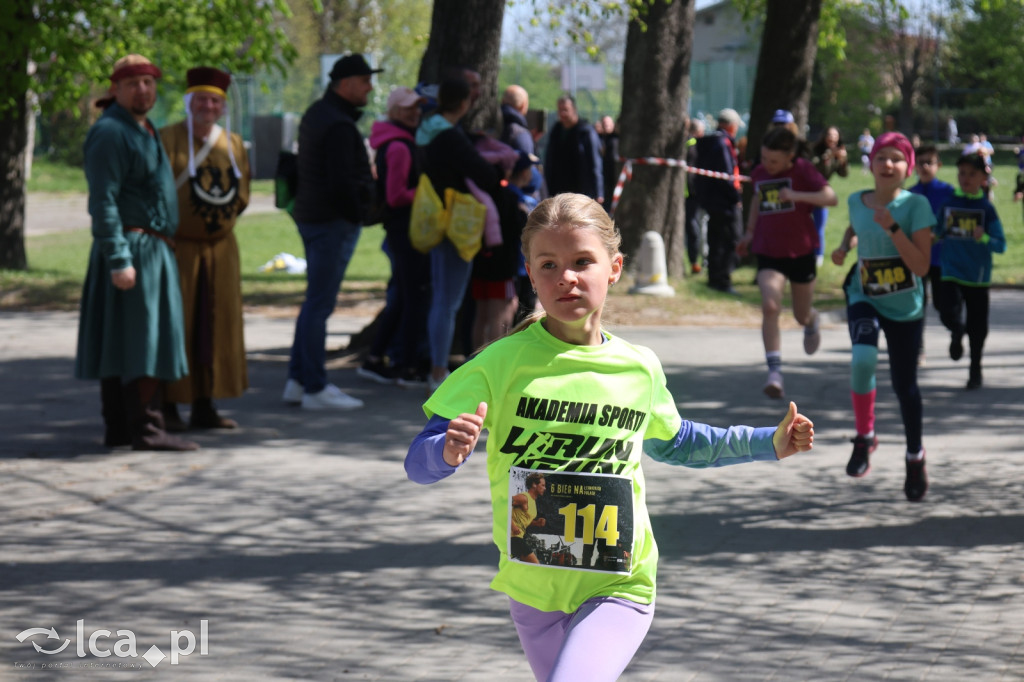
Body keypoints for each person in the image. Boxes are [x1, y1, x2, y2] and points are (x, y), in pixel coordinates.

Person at [404, 193, 814, 681]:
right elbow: (417, 462)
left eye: (582, 261)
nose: (566, 277)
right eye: (549, 265)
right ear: (530, 275)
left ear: (615, 267)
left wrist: (768, 441)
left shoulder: (638, 367)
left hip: (620, 584)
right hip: (534, 589)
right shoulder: (498, 363)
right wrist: (446, 451)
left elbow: (678, 442)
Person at [75, 53, 198, 452]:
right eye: (132, 83)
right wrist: (119, 257)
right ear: (115, 89)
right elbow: (103, 201)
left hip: (152, 248)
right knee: (143, 341)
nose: (142, 90)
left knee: (130, 340)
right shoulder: (111, 133)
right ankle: (145, 429)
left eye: (148, 82)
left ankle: (124, 429)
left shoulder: (142, 128)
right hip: (133, 249)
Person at [830, 132, 934, 502]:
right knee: (862, 358)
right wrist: (844, 247)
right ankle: (865, 437)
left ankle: (915, 456)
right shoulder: (857, 200)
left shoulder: (916, 205)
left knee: (905, 387)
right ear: (870, 163)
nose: (888, 165)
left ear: (907, 167)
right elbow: (857, 225)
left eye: (896, 159)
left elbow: (921, 266)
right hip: (865, 295)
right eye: (881, 157)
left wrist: (892, 226)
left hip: (905, 306)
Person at [283, 53, 381, 410]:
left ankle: (298, 380)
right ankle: (314, 387)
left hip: (314, 218)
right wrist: (359, 214)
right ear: (345, 84)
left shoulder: (318, 114)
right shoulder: (337, 124)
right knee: (319, 305)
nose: (370, 87)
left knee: (314, 302)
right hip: (330, 222)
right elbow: (342, 183)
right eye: (365, 80)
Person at [159, 66, 251, 432]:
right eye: (201, 99)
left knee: (216, 328)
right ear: (189, 102)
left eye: (215, 100)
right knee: (178, 326)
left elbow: (241, 196)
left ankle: (204, 404)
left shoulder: (234, 145)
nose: (208, 106)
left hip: (222, 251)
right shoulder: (167, 139)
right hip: (179, 249)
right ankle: (168, 405)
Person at [737, 127, 837, 399]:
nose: (767, 166)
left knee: (800, 315)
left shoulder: (803, 170)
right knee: (770, 306)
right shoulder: (760, 173)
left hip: (801, 251)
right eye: (765, 159)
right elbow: (757, 201)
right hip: (769, 251)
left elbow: (831, 198)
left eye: (774, 161)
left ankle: (813, 319)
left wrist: (796, 196)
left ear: (790, 157)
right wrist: (748, 233)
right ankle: (774, 372)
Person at [417, 75, 502, 392]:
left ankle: (435, 364)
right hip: (457, 222)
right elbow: (484, 173)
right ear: (465, 102)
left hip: (431, 218)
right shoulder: (451, 137)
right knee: (448, 301)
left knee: (440, 297)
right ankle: (438, 371)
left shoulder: (424, 132)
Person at [358, 86, 430, 387]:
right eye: (407, 108)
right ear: (394, 112)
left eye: (416, 107)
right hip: (405, 230)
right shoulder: (399, 146)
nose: (414, 112)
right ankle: (406, 365)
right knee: (413, 298)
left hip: (403, 229)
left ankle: (376, 358)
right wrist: (427, 192)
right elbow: (396, 194)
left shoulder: (399, 140)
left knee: (402, 297)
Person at [934, 153, 1007, 389]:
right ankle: (957, 332)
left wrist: (984, 237)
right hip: (950, 271)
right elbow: (936, 233)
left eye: (972, 174)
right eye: (962, 173)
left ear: (983, 178)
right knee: (946, 312)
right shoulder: (948, 204)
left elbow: (1001, 244)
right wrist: (934, 235)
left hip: (977, 277)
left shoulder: (986, 209)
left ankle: (975, 369)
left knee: (978, 328)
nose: (966, 178)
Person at [908, 144, 955, 366]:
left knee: (942, 305)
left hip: (940, 258)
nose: (925, 166)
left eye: (930, 162)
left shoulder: (948, 192)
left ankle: (957, 328)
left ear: (938, 165)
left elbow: (955, 222)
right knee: (917, 304)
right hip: (915, 259)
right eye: (921, 162)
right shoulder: (909, 194)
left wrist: (938, 234)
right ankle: (918, 349)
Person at [694, 108, 744, 294]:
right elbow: (726, 175)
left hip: (711, 200)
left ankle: (714, 277)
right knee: (729, 240)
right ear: (731, 125)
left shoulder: (709, 141)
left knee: (715, 240)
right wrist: (736, 197)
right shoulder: (723, 144)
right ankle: (723, 279)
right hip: (725, 202)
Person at [543, 95, 603, 202]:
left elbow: (595, 163)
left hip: (580, 191)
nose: (562, 113)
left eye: (566, 110)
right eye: (560, 110)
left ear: (574, 109)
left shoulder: (586, 132)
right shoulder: (556, 131)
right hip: (558, 191)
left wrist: (598, 192)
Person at [811, 126, 849, 266]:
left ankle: (818, 255)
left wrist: (842, 160)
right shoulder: (815, 150)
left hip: (821, 194)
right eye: (829, 135)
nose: (832, 138)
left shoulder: (837, 152)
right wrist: (827, 156)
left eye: (835, 135)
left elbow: (843, 174)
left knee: (819, 226)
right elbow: (813, 169)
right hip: (806, 191)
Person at [684, 118, 706, 275]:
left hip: (688, 194)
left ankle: (694, 261)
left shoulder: (687, 144)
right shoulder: (694, 145)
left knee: (692, 228)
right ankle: (694, 262)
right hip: (691, 195)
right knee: (694, 229)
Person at [598, 115, 620, 214]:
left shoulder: (614, 140)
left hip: (611, 177)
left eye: (608, 124)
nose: (606, 126)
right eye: (604, 124)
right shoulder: (601, 139)